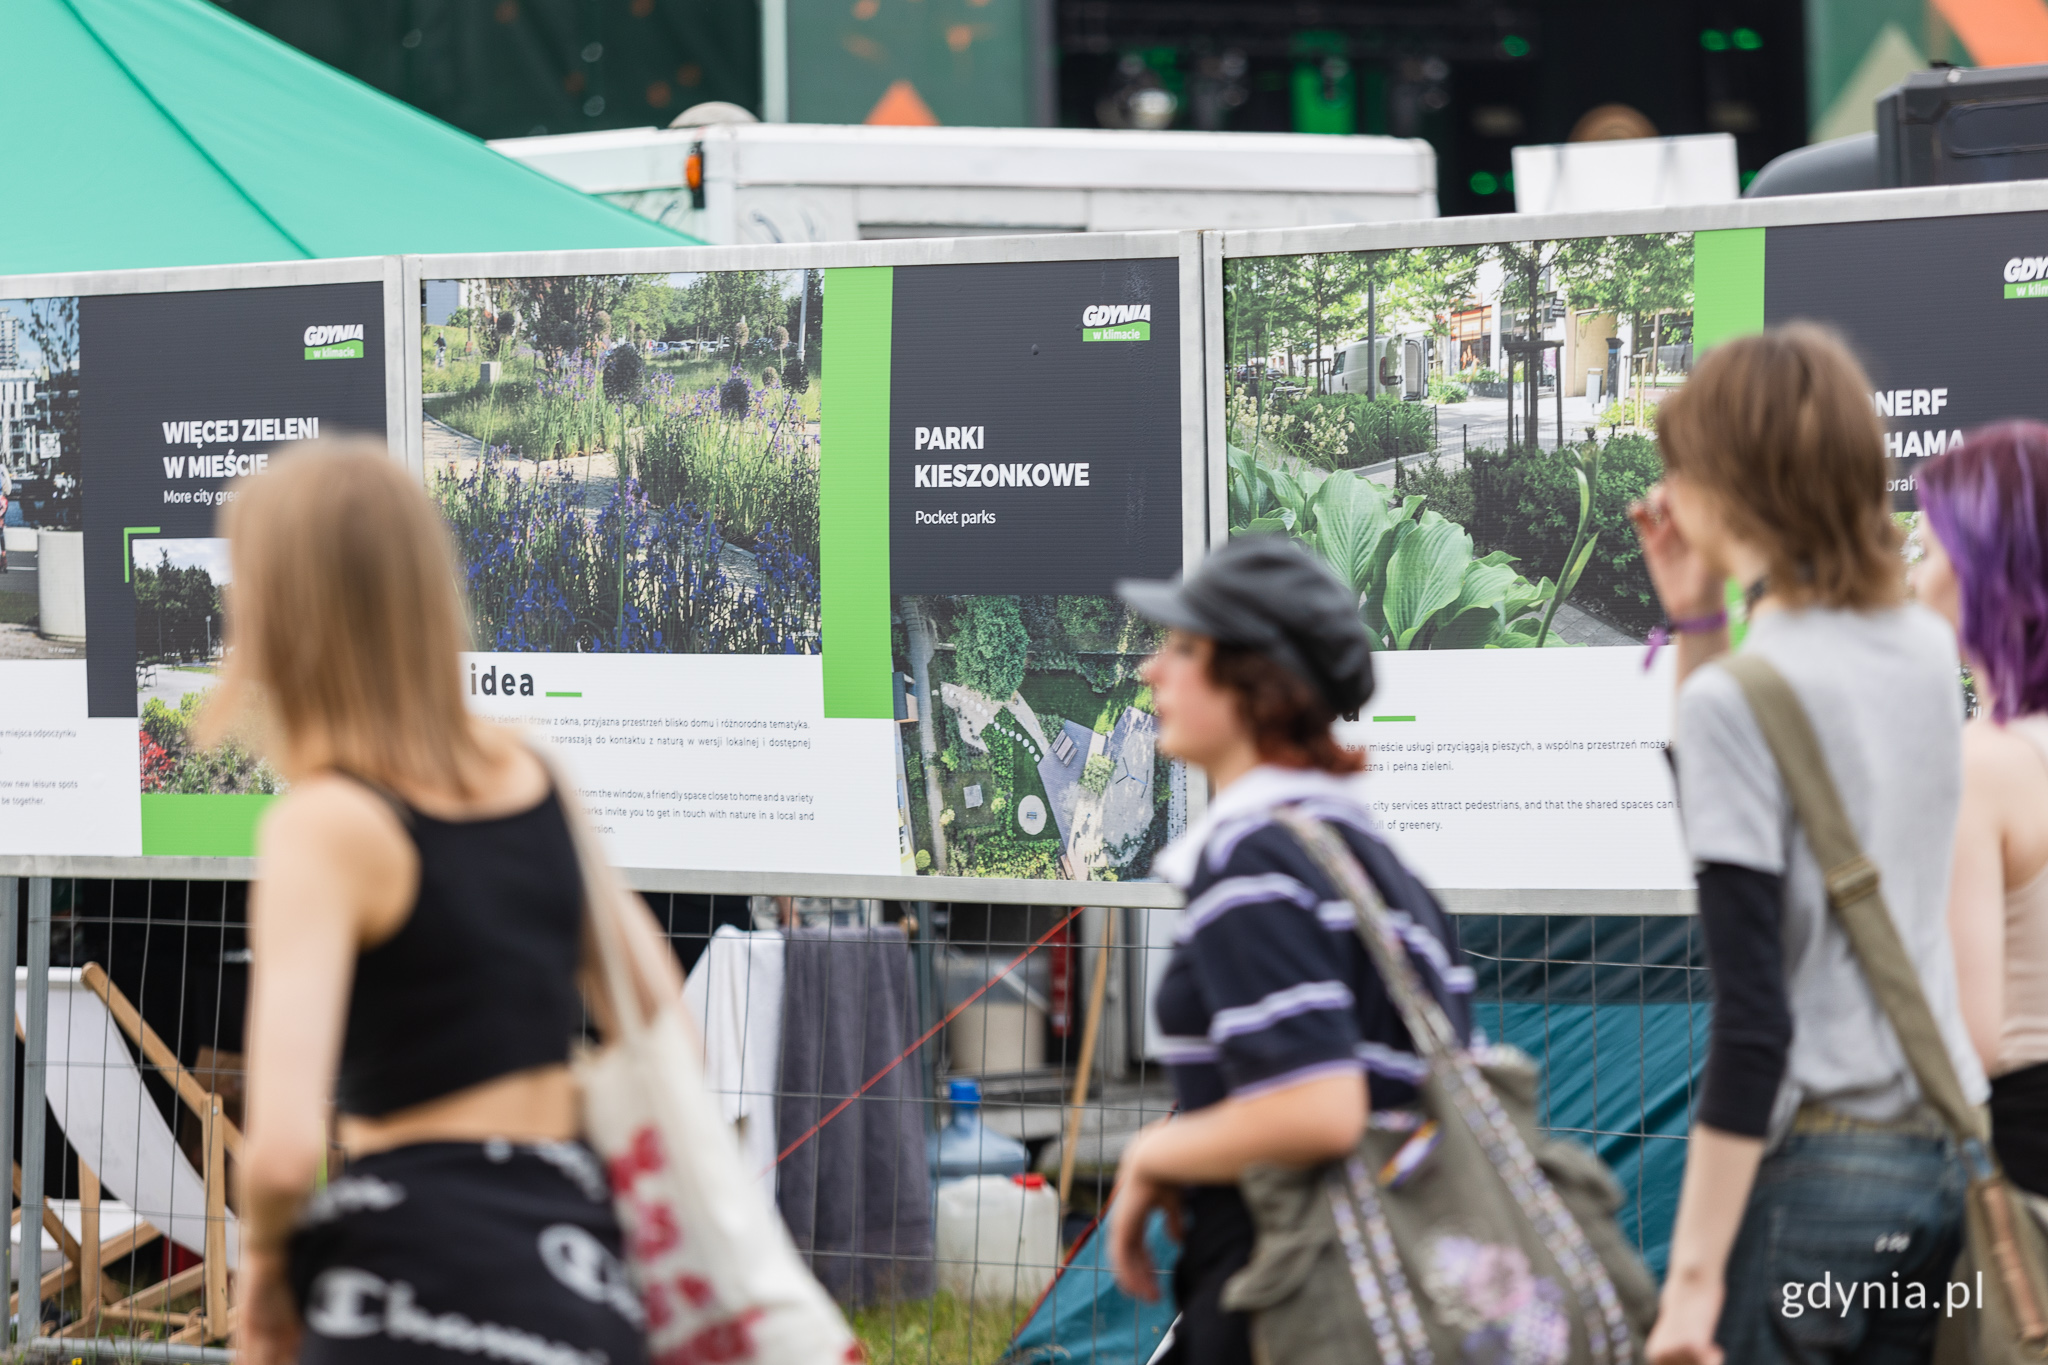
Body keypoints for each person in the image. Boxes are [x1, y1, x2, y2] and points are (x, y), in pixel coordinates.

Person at [211, 441, 662, 1365]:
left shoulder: (324, 823)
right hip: (573, 1277)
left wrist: (262, 1276)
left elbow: (287, 1148)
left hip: (406, 1286)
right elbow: (656, 1013)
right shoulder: (535, 778)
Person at [1629, 325, 1985, 1365]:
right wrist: (1695, 621)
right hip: (1935, 1159)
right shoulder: (1919, 649)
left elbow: (1752, 1018)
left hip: (1816, 1185)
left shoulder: (1744, 697)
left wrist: (1689, 1286)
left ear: (1720, 484)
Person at [1105, 536, 1472, 1365]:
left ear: (1254, 682)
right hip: (1395, 1284)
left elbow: (1319, 1108)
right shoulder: (1381, 868)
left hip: (1291, 1294)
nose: (1149, 672)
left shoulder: (1254, 863)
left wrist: (1154, 1150)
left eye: (1182, 648)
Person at [1914, 421, 2048, 1199]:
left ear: (1985, 572)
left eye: (1928, 550)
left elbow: (1969, 1038)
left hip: (2020, 1184)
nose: (1916, 577)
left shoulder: (1983, 764)